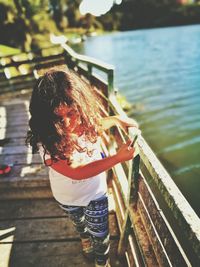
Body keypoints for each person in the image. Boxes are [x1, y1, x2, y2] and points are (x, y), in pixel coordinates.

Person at [26, 66, 138, 267]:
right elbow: (76, 173)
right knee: (80, 224)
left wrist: (116, 120)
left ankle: (101, 262)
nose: (67, 123)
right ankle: (84, 238)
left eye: (71, 113)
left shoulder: (84, 123)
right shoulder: (47, 141)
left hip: (95, 195)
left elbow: (97, 125)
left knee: (101, 234)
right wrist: (117, 158)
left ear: (81, 105)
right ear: (45, 117)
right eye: (57, 118)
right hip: (67, 198)